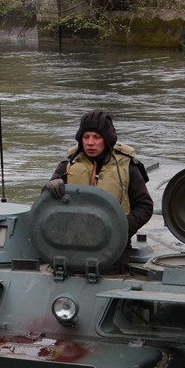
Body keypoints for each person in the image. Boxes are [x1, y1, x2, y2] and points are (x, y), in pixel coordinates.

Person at [42, 110, 154, 267]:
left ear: (106, 139)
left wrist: (122, 228)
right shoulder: (68, 165)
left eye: (96, 137)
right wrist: (50, 188)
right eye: (86, 137)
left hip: (113, 250)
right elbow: (46, 204)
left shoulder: (127, 167)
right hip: (70, 245)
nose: (90, 142)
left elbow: (145, 206)